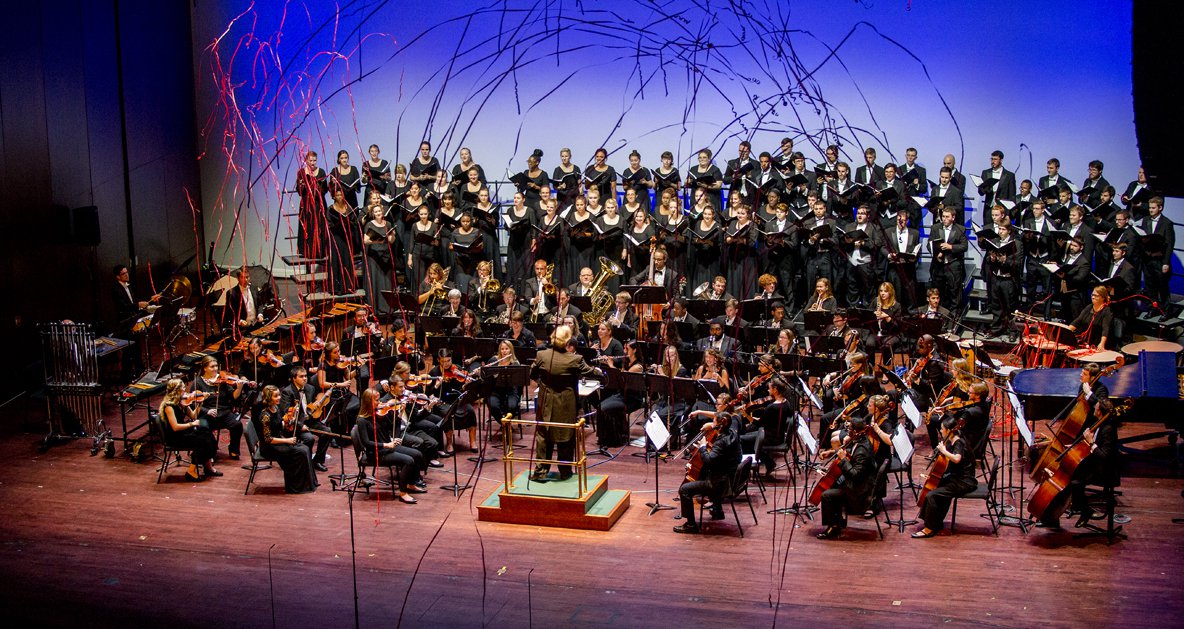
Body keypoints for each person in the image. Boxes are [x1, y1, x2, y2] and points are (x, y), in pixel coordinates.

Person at [529, 325, 602, 481]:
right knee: (565, 436)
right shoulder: (575, 359)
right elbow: (590, 372)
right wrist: (601, 372)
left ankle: (540, 472)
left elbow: (532, 373)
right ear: (567, 341)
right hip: (565, 403)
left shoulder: (541, 355)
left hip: (545, 400)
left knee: (543, 434)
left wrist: (544, 384)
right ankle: (565, 472)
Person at [673, 410, 742, 534]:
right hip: (730, 478)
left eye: (714, 422)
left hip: (720, 484)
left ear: (720, 425)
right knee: (705, 471)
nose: (712, 424)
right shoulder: (733, 434)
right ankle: (717, 510)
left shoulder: (720, 443)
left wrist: (703, 447)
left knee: (684, 489)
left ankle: (690, 525)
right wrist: (712, 426)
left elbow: (709, 460)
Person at [356, 388, 427, 504]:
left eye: (379, 400)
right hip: (376, 453)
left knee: (417, 454)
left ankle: (411, 484)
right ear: (368, 402)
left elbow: (393, 427)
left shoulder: (380, 414)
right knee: (408, 461)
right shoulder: (362, 420)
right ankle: (403, 493)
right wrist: (386, 445)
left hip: (388, 448)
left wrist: (400, 413)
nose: (380, 403)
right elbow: (366, 443)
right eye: (377, 400)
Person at [913, 417, 977, 538]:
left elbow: (957, 459)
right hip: (955, 477)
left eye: (942, 429)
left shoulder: (959, 442)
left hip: (964, 481)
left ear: (949, 430)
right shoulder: (950, 440)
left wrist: (944, 451)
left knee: (932, 495)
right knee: (934, 488)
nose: (941, 431)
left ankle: (929, 528)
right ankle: (935, 524)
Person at [816, 415, 876, 539]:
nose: (847, 431)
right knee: (833, 482)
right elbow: (849, 450)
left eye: (849, 429)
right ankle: (838, 521)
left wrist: (843, 459)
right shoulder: (861, 440)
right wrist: (831, 452)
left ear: (855, 431)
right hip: (858, 484)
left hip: (859, 492)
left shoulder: (862, 451)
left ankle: (833, 528)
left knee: (826, 495)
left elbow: (855, 475)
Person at [256, 384, 317, 494]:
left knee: (305, 448)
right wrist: (287, 440)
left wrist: (291, 421)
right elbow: (268, 439)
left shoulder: (276, 409)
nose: (279, 398)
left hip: (278, 441)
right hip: (269, 447)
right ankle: (296, 486)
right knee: (300, 452)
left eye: (279, 395)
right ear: (269, 398)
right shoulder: (265, 416)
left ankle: (309, 483)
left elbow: (280, 425)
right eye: (276, 396)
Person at [159, 378, 221, 482]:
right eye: (183, 387)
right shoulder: (169, 406)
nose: (185, 389)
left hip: (184, 432)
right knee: (203, 441)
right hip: (175, 436)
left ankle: (207, 467)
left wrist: (200, 402)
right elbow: (175, 427)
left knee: (208, 434)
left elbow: (193, 415)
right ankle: (191, 471)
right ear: (177, 390)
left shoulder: (182, 402)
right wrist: (192, 424)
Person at [193, 356, 246, 460]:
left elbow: (233, 396)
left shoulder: (222, 380)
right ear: (205, 368)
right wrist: (207, 411)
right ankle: (210, 451)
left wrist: (239, 388)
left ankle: (234, 450)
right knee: (202, 427)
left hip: (224, 413)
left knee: (237, 424)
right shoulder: (198, 382)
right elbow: (192, 403)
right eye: (212, 366)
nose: (215, 369)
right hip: (206, 415)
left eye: (216, 366)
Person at [928, 207, 967, 311]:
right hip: (938, 265)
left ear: (953, 218)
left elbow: (964, 246)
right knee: (938, 291)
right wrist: (936, 253)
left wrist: (951, 247)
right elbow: (929, 244)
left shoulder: (960, 229)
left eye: (947, 217)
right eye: (943, 216)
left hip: (952, 265)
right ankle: (939, 313)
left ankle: (954, 314)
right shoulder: (935, 228)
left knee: (954, 291)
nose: (944, 219)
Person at [1140, 197, 1174, 307]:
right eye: (1150, 208)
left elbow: (1169, 245)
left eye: (1153, 208)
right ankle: (1152, 308)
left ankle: (1166, 309)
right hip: (1148, 259)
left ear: (1160, 208)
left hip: (1160, 260)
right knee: (1150, 286)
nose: (1150, 210)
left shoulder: (1167, 223)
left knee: (1162, 286)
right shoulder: (1145, 220)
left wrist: (1166, 263)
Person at [1068, 286, 1115, 351]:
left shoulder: (1107, 311)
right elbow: (1077, 321)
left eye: (1096, 296)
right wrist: (1066, 331)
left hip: (1099, 344)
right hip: (1087, 343)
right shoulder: (1089, 307)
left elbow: (1105, 329)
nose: (1093, 297)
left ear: (1102, 298)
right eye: (1092, 295)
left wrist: (1102, 343)